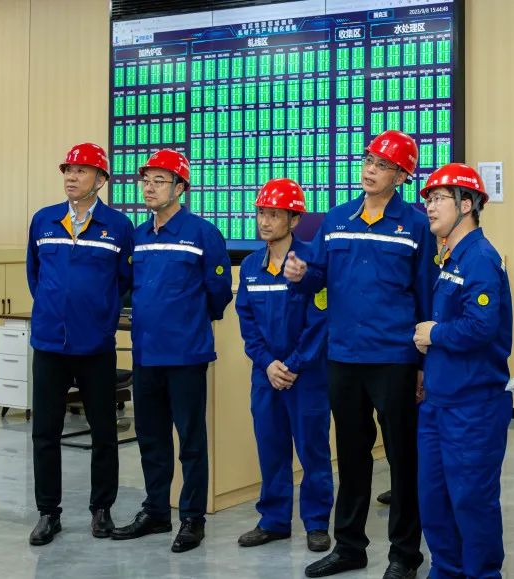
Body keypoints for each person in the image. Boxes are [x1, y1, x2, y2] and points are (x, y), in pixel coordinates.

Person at [285, 130, 434, 579]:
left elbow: (426, 296)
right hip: (344, 355)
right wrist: (302, 274)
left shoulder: (416, 225)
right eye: (369, 159)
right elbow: (318, 278)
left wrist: (423, 365)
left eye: (383, 165)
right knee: (351, 455)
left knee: (403, 458)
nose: (371, 169)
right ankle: (350, 547)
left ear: (401, 177)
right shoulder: (336, 218)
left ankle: (404, 555)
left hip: (394, 357)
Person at [111, 148, 232, 553]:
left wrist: (188, 321)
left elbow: (218, 293)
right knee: (151, 438)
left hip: (186, 355)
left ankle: (192, 518)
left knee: (191, 441)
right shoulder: (139, 236)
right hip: (146, 354)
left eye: (159, 181)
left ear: (180, 188)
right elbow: (131, 289)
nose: (149, 187)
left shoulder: (202, 233)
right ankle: (157, 511)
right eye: (146, 180)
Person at [25, 143, 134, 545]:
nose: (71, 177)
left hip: (95, 347)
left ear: (101, 179)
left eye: (82, 170)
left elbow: (124, 282)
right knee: (45, 433)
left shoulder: (118, 226)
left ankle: (101, 510)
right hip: (50, 345)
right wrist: (54, 310)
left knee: (104, 432)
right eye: (68, 170)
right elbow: (35, 275)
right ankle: (48, 513)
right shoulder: (43, 220)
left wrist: (100, 316)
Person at [412, 163, 513, 578]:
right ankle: (446, 571)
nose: (430, 206)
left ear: (466, 204)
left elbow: (481, 326)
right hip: (439, 402)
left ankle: (482, 574)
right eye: (428, 199)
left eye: (439, 198)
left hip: (473, 406)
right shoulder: (449, 258)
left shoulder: (480, 259)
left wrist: (435, 334)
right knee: (434, 499)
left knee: (472, 501)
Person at [235, 178, 333, 552]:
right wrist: (268, 364)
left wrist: (291, 365)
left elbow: (319, 322)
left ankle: (316, 522)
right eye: (261, 212)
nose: (265, 221)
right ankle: (274, 520)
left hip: (306, 377)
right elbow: (247, 322)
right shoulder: (250, 266)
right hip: (266, 376)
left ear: (294, 220)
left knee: (313, 451)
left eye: (274, 214)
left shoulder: (311, 264)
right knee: (271, 447)